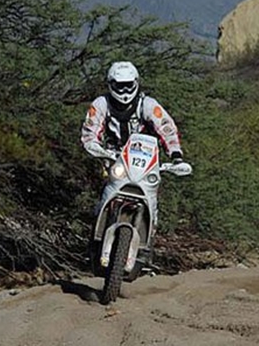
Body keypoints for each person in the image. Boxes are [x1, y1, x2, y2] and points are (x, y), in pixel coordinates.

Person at [81, 61, 191, 265]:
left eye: (128, 85)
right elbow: (90, 129)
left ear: (136, 83)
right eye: (119, 85)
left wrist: (175, 154)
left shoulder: (148, 105)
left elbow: (166, 127)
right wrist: (95, 147)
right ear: (110, 84)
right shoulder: (101, 104)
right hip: (114, 156)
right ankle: (95, 238)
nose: (124, 91)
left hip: (146, 159)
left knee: (152, 198)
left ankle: (147, 246)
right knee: (105, 191)